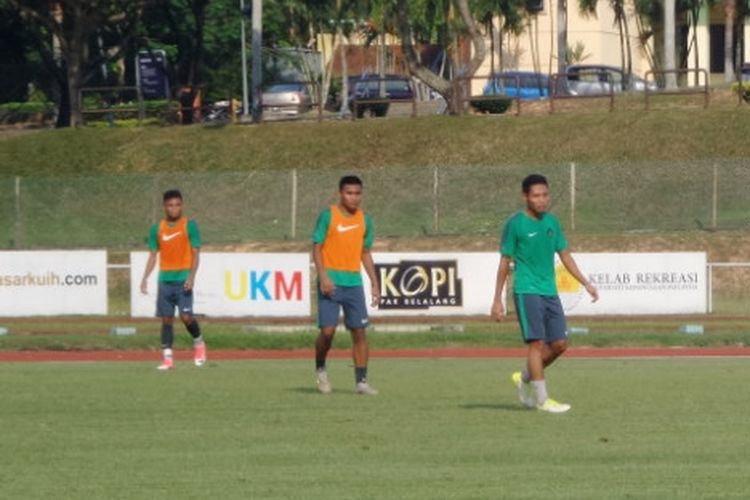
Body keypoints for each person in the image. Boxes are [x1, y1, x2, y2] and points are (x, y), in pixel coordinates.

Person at [490, 174, 598, 413]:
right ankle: (542, 400)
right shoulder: (515, 224)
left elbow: (565, 255)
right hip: (526, 291)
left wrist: (586, 283)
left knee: (559, 344)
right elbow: (504, 262)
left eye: (545, 195)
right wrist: (497, 299)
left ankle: (525, 377)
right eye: (536, 195)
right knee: (536, 343)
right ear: (525, 197)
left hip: (550, 292)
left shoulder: (552, 223)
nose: (541, 200)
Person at [312, 175, 380, 395]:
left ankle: (361, 381)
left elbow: (365, 252)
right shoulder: (328, 216)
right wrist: (323, 276)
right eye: (349, 193)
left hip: (353, 283)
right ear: (340, 193)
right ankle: (321, 368)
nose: (354, 197)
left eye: (358, 193)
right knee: (328, 331)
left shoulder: (365, 220)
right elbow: (316, 247)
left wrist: (375, 283)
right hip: (330, 281)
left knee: (359, 332)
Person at [140, 189, 206, 370]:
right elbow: (153, 255)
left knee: (186, 317)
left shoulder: (189, 226)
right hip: (164, 280)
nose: (174, 209)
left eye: (177, 205)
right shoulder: (157, 229)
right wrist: (145, 277)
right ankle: (168, 359)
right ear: (164, 207)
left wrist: (192, 276)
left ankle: (199, 343)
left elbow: (196, 254)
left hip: (183, 278)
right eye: (170, 205)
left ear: (182, 205)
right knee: (166, 319)